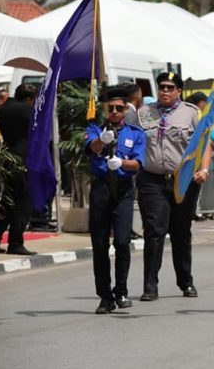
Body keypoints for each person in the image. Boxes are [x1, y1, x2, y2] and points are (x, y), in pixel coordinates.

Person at [134, 72, 205, 301]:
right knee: (154, 231)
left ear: (179, 91)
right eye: (162, 87)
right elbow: (133, 139)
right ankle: (150, 286)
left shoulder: (192, 113)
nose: (165, 91)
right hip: (152, 179)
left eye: (170, 87)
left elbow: (205, 143)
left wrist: (203, 169)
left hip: (182, 180)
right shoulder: (144, 113)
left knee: (181, 232)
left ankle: (186, 281)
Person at [84, 86, 146, 314]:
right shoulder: (94, 129)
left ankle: (121, 290)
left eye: (120, 108)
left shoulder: (135, 133)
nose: (115, 112)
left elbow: (138, 164)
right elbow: (91, 148)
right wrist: (102, 139)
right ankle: (105, 296)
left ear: (125, 109)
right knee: (99, 245)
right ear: (105, 109)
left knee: (121, 242)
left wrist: (122, 163)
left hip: (123, 190)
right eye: (111, 108)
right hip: (101, 189)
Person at [0, 84, 37, 255]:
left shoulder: (4, 108)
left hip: (7, 157)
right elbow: (36, 130)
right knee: (23, 203)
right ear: (28, 99)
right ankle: (15, 243)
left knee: (6, 203)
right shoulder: (25, 110)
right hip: (22, 160)